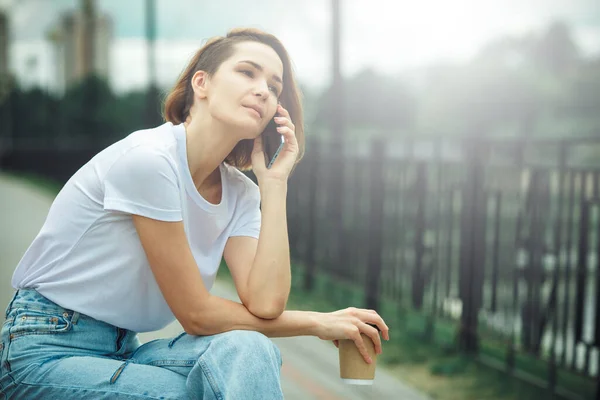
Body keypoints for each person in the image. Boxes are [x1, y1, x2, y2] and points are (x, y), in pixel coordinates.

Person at [0, 27, 389, 399]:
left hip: (123, 349)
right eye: (246, 72)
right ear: (201, 84)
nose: (262, 91)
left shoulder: (239, 192)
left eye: (274, 87)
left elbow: (266, 304)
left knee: (248, 347)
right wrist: (319, 323)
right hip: (45, 348)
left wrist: (275, 185)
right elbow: (197, 315)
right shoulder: (150, 161)